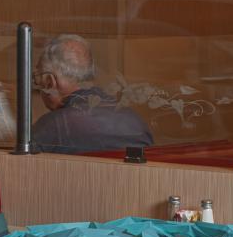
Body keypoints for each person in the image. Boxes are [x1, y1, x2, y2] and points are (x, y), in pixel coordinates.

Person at [26, 35, 154, 155]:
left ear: (49, 81)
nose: (37, 84)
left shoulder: (54, 126)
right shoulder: (135, 122)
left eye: (38, 77)